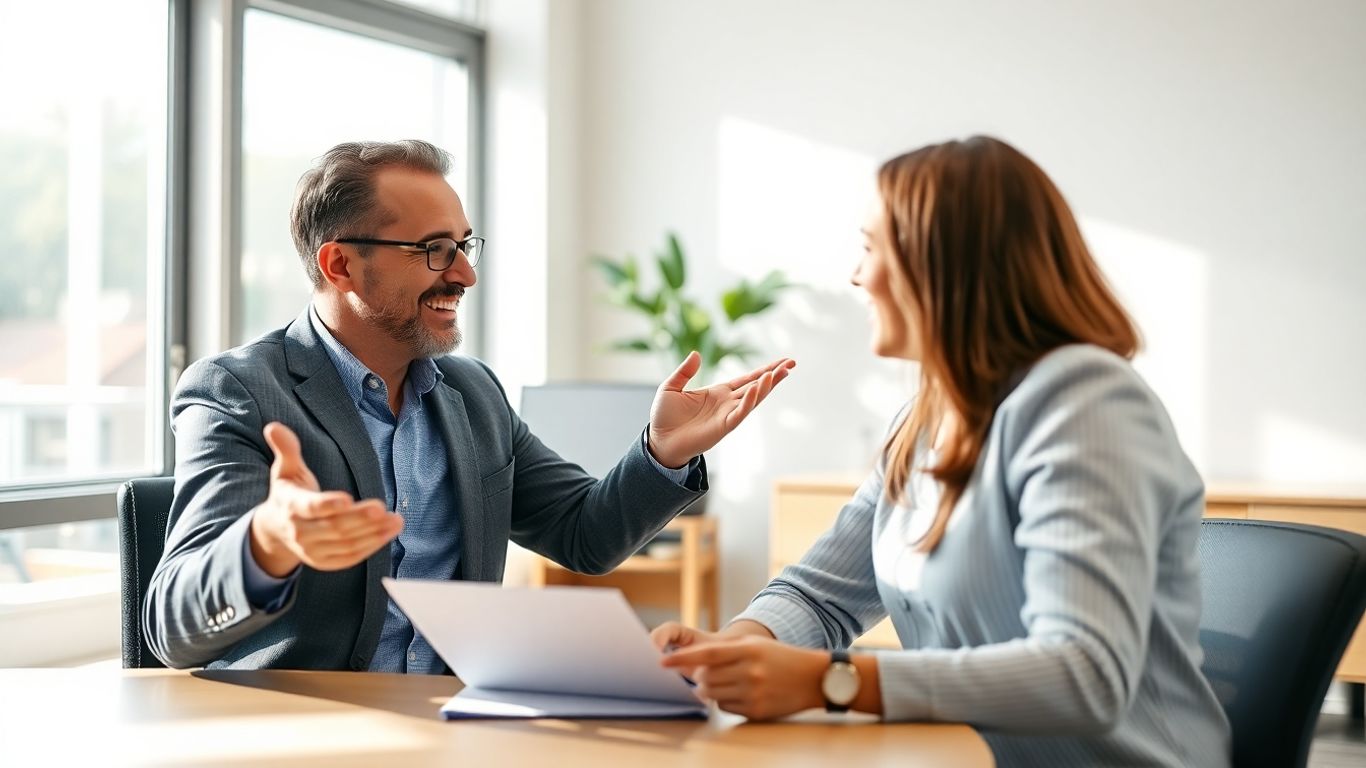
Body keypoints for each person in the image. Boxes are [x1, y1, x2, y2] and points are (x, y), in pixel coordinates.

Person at [653, 136, 1231, 766]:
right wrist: (736, 648)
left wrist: (835, 681)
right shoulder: (924, 420)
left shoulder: (1085, 404)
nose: (856, 275)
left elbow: (1086, 670)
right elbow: (821, 596)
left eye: (872, 249)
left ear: (943, 265)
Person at [144, 139, 795, 673]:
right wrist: (268, 542)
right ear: (340, 264)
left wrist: (663, 452)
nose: (463, 274)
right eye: (434, 250)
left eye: (464, 245)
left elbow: (584, 536)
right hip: (309, 737)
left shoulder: (472, 393)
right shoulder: (240, 391)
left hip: (455, 728)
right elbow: (172, 630)